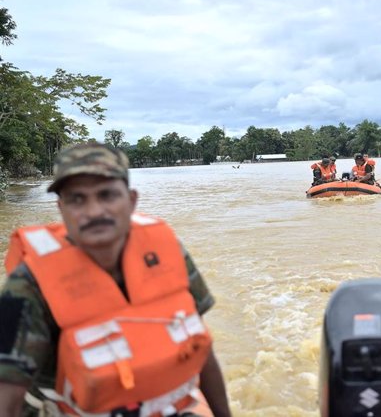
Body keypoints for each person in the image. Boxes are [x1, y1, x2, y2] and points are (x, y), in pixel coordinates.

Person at [0, 142, 232, 417]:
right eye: (77, 199)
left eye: (107, 195)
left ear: (132, 200)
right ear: (61, 208)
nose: (95, 211)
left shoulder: (166, 252)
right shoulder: (30, 284)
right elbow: (8, 394)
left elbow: (201, 345)